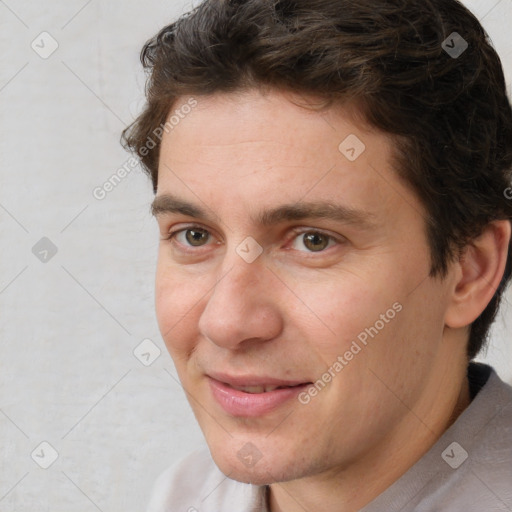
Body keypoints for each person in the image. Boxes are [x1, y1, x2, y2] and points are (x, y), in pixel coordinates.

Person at [122, 0, 512, 510]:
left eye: (313, 240)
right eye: (195, 236)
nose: (226, 322)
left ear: (469, 271)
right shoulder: (183, 496)